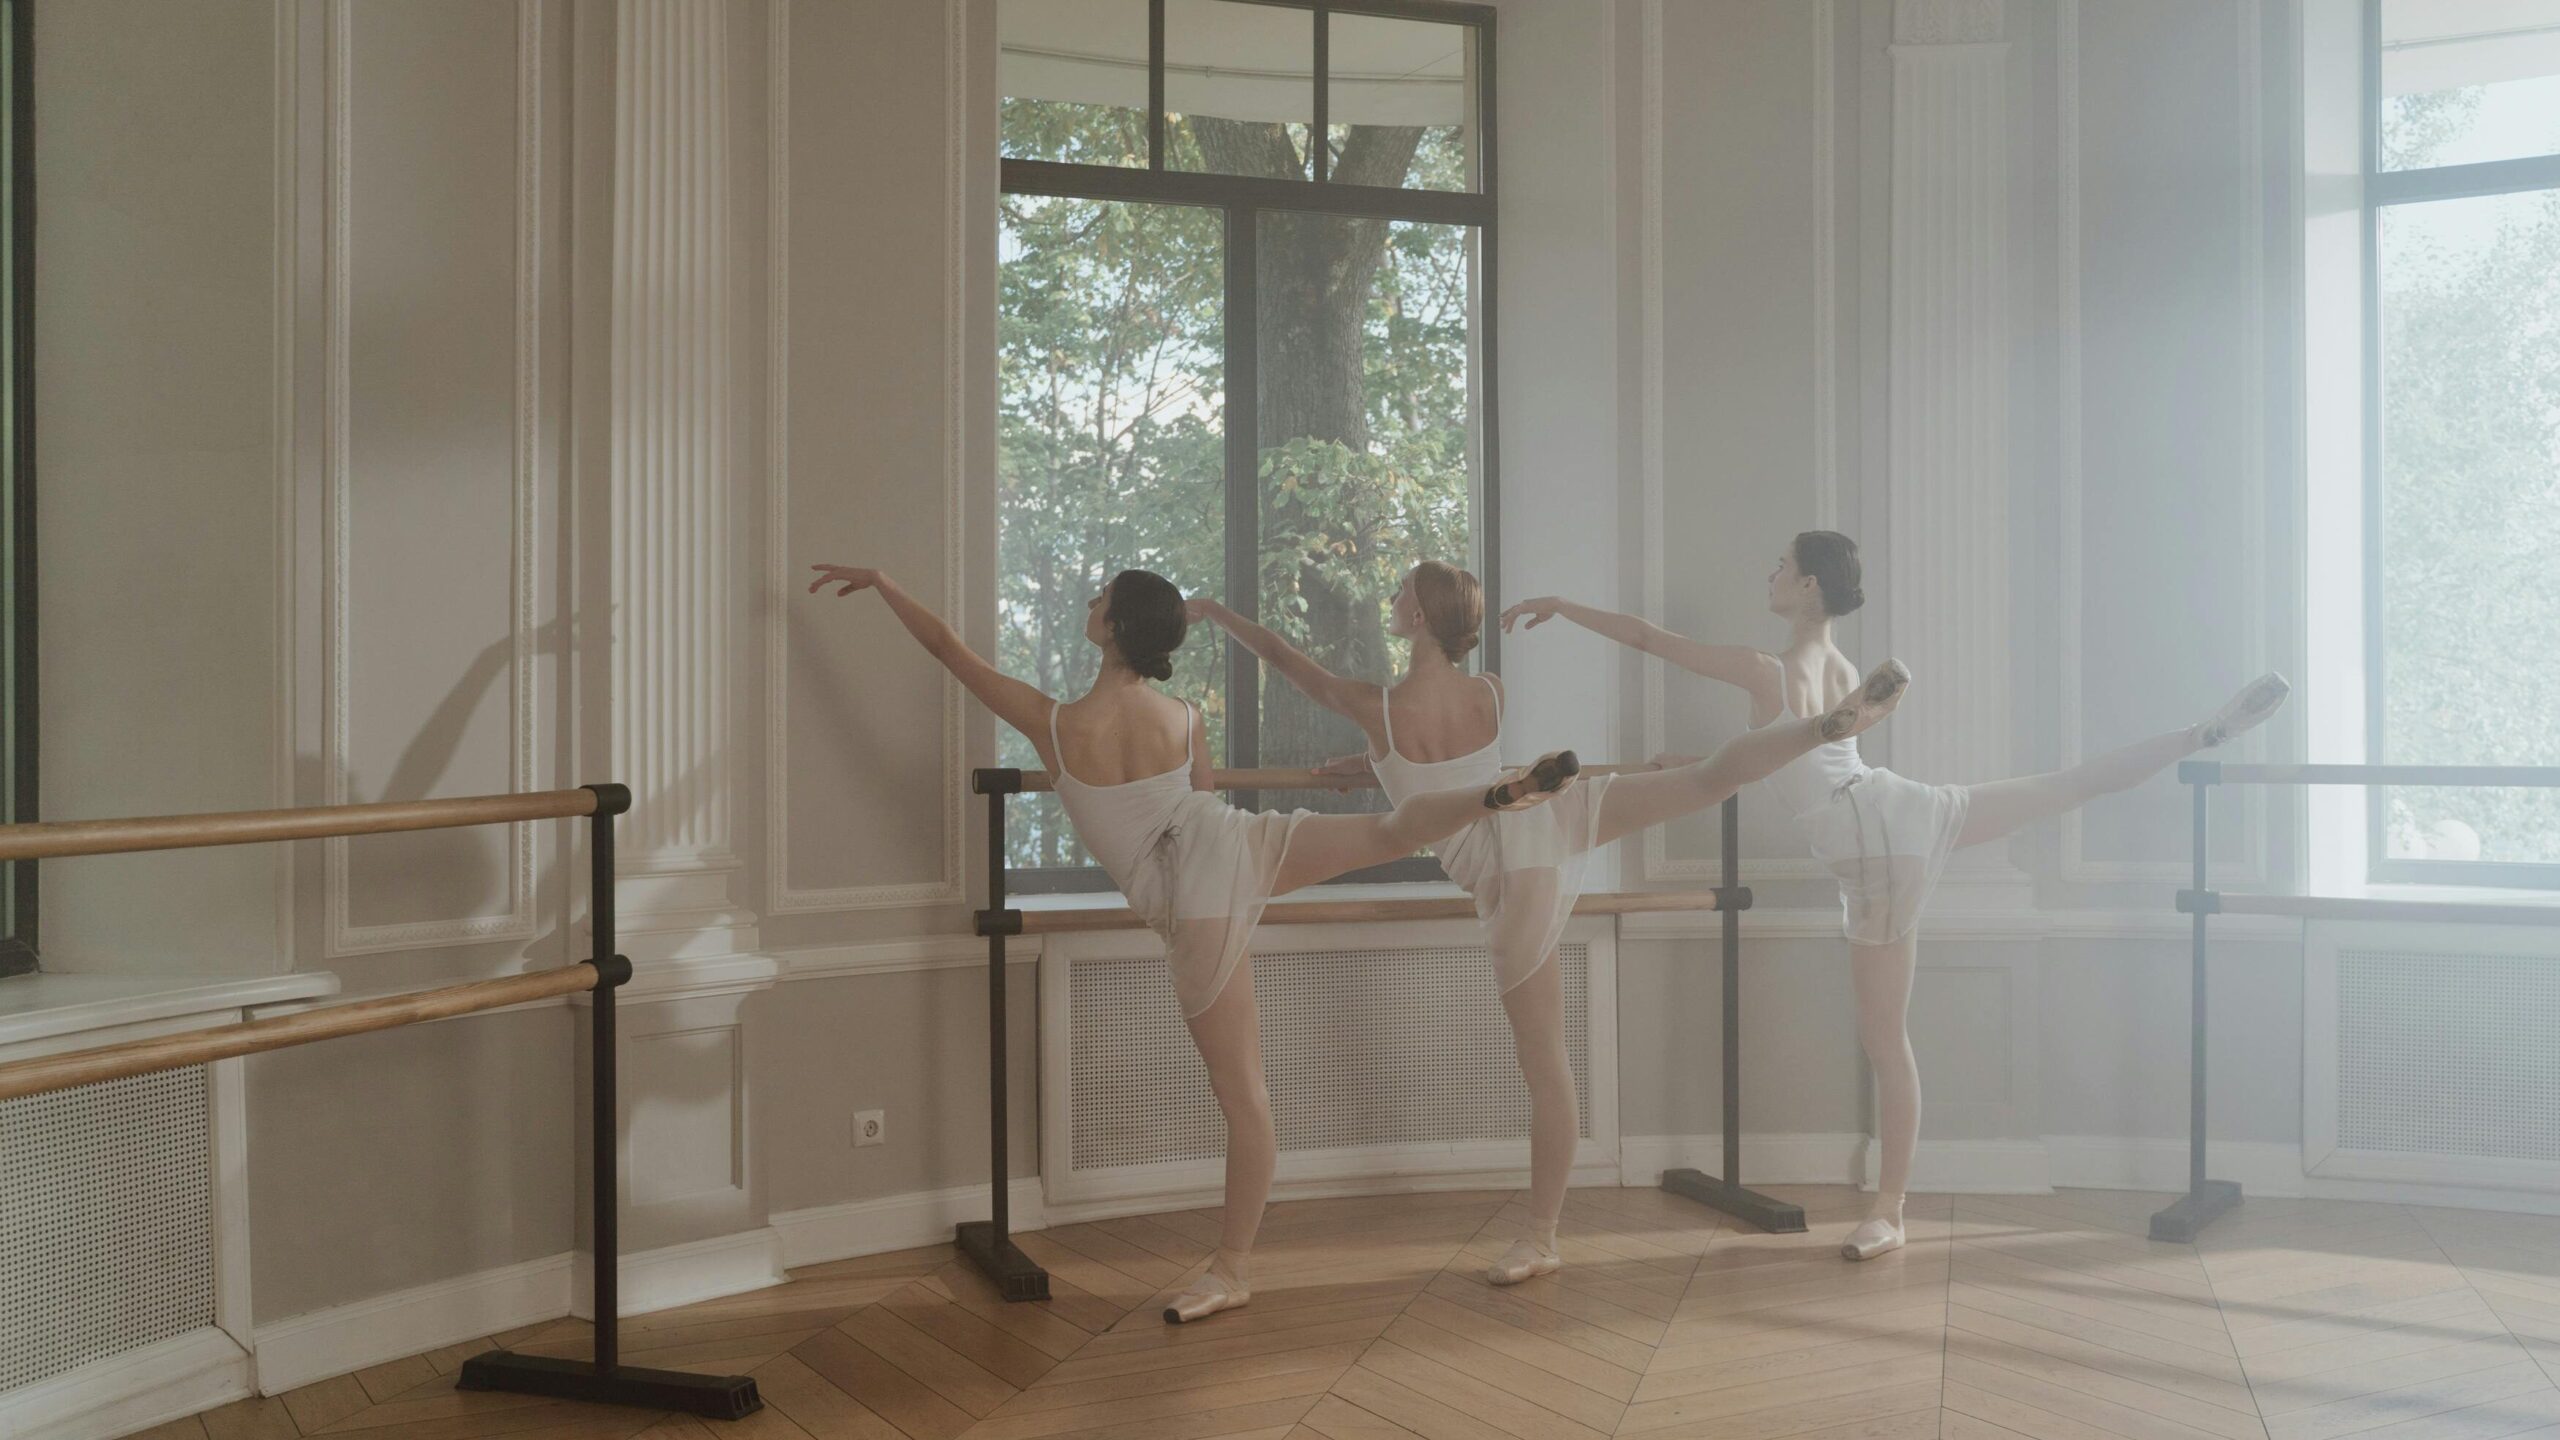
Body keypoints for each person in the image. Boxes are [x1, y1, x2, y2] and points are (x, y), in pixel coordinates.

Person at [810, 563, 1581, 1323]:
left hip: (1191, 895)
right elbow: (1203, 804)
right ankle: (1492, 796)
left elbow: (951, 649)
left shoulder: (1057, 725)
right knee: (1384, 831)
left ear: (1112, 628)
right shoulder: (1182, 716)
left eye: (1098, 597)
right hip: (1236, 841)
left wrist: (886, 582)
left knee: (1244, 1096)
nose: (1089, 600)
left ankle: (1232, 1270)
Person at [1502, 530, 2288, 1260]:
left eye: (1780, 566)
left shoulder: (1762, 668)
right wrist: (1685, 761)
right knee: (2064, 788)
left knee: (1887, 1040)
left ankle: (1892, 1212)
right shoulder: (1839, 666)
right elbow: (1772, 763)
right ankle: (2195, 737)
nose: (1768, 575)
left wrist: (1566, 608)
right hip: (1901, 815)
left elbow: (1650, 640)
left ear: (1807, 585)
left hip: (1872, 842)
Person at [1191, 559, 1912, 1283]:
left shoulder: (1379, 709)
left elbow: (1285, 660)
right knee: (1704, 779)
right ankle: (1821, 729)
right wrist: (1374, 763)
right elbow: (1448, 758)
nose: (1390, 596)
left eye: (1401, 591)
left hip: (1508, 873)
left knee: (1546, 1065)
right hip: (1549, 817)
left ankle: (1541, 1238)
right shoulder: (1489, 691)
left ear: (1418, 619)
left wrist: (1218, 611)